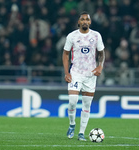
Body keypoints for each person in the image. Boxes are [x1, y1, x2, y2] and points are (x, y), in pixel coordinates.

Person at [62, 11, 105, 141]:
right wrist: (67, 72)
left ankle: (81, 133)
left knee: (87, 105)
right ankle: (72, 124)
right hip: (76, 73)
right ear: (79, 22)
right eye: (82, 19)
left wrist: (100, 66)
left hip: (90, 75)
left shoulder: (96, 35)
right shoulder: (72, 36)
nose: (85, 21)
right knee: (72, 101)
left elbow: (102, 53)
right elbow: (65, 54)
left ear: (90, 22)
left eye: (87, 19)